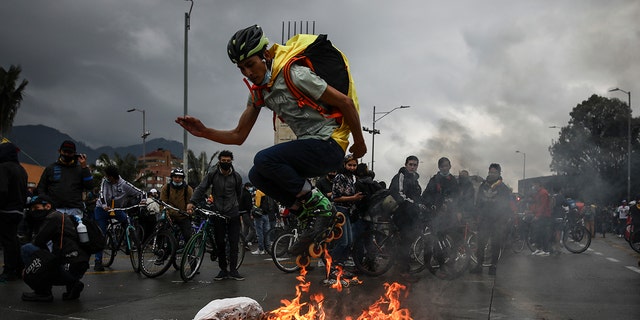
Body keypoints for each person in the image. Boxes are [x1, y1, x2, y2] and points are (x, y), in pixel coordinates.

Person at [175, 25, 366, 253]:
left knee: (263, 159)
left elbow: (345, 103)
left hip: (329, 145)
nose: (247, 73)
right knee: (257, 174)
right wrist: (205, 131)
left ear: (265, 55)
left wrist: (359, 142)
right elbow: (238, 136)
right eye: (241, 68)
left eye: (250, 64)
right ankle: (307, 217)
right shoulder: (259, 92)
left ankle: (321, 208)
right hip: (311, 148)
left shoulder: (294, 74)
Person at [187, 150, 244, 281]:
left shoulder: (236, 177)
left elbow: (239, 193)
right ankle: (223, 270)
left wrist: (236, 207)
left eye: (228, 161)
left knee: (234, 242)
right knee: (220, 243)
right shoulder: (212, 175)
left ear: (231, 161)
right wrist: (192, 202)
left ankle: (234, 270)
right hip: (218, 212)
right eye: (223, 161)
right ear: (219, 161)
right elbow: (201, 188)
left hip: (233, 213)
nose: (226, 163)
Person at [20, 195, 90, 302]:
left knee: (27, 249)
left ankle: (42, 292)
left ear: (48, 206)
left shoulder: (53, 218)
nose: (33, 211)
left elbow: (38, 241)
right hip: (79, 265)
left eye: (36, 208)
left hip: (65, 266)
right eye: (32, 209)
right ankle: (72, 285)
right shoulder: (65, 217)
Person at [93, 165, 146, 271]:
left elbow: (142, 192)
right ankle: (98, 261)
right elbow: (102, 194)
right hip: (102, 210)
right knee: (101, 234)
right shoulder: (105, 182)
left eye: (107, 176)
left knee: (128, 222)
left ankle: (129, 243)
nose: (106, 177)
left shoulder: (125, 185)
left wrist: (143, 200)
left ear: (112, 177)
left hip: (116, 209)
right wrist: (104, 206)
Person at [470, 163, 512, 276]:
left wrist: (503, 219)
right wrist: (476, 215)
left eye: (494, 172)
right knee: (481, 243)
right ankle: (479, 265)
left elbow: (506, 205)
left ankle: (493, 267)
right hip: (484, 220)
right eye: (490, 172)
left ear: (499, 173)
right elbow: (478, 202)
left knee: (495, 244)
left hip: (497, 221)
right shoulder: (483, 185)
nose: (492, 174)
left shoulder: (503, 188)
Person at [37, 140, 93, 219]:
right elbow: (41, 188)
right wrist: (45, 202)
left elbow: (90, 186)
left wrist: (84, 167)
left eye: (70, 152)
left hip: (75, 210)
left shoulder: (81, 169)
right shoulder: (51, 168)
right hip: (54, 209)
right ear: (59, 151)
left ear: (74, 153)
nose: (67, 154)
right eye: (65, 151)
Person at [389, 155, 423, 278]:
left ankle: (402, 265)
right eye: (411, 164)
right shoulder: (400, 176)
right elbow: (398, 193)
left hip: (411, 215)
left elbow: (418, 196)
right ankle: (402, 270)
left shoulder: (415, 179)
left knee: (408, 241)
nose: (413, 167)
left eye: (415, 165)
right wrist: (413, 203)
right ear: (406, 164)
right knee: (405, 241)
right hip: (401, 214)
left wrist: (421, 205)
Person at [330, 154, 364, 272]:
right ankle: (333, 266)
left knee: (349, 242)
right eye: (350, 165)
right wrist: (353, 198)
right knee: (343, 242)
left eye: (354, 165)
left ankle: (341, 267)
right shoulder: (340, 177)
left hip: (348, 212)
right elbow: (336, 198)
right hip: (340, 211)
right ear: (344, 165)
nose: (352, 167)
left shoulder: (350, 178)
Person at [0, 141, 28, 282]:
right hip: (18, 210)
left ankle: (9, 270)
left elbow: (2, 190)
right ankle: (18, 268)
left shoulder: (4, 168)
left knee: (8, 242)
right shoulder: (21, 169)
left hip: (5, 210)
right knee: (13, 240)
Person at [160, 168, 194, 245]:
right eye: (175, 177)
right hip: (170, 216)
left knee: (188, 236)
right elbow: (162, 203)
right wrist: (166, 212)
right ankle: (164, 252)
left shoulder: (188, 189)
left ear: (182, 178)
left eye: (180, 177)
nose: (177, 179)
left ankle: (190, 254)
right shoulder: (166, 188)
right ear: (172, 177)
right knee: (164, 234)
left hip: (183, 216)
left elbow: (191, 202)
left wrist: (190, 211)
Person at [530, 182, 552, 256]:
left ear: (538, 185)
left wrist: (537, 215)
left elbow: (543, 205)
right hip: (541, 215)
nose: (533, 186)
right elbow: (537, 205)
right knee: (539, 233)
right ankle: (539, 249)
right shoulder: (539, 193)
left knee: (543, 233)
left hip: (544, 215)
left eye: (534, 185)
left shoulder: (543, 193)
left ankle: (546, 250)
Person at [252, 189, 275, 255]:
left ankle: (261, 249)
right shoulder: (268, 191)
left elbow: (257, 204)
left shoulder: (259, 192)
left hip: (259, 215)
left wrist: (254, 207)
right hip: (266, 215)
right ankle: (267, 249)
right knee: (267, 232)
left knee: (259, 233)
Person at [239, 183, 256, 247]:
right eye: (250, 187)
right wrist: (251, 213)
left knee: (245, 228)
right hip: (247, 213)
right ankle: (246, 241)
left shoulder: (241, 193)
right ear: (247, 187)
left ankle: (242, 241)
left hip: (242, 213)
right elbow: (249, 205)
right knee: (253, 228)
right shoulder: (247, 194)